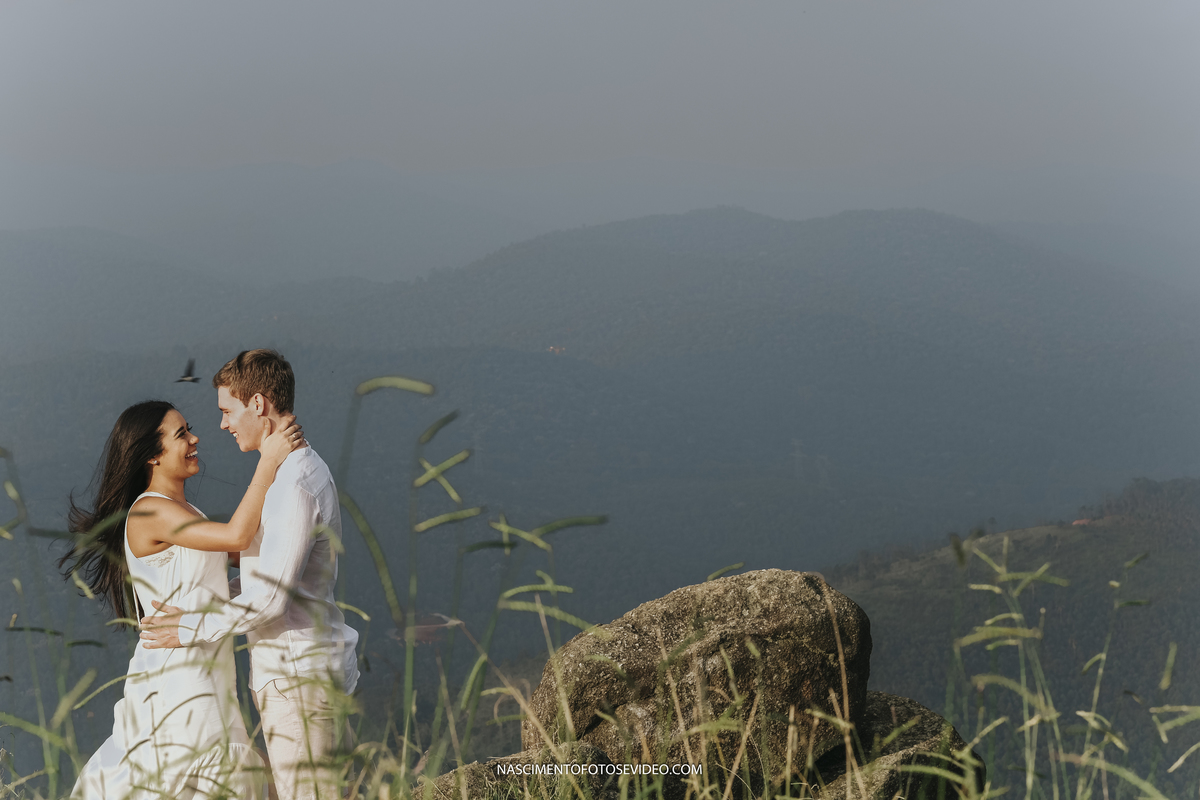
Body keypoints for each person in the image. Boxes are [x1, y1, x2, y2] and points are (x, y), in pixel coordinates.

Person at [140, 350, 360, 800]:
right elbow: (270, 579)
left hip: (296, 676)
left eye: (227, 410)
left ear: (258, 405)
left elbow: (271, 599)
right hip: (301, 670)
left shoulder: (293, 484)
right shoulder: (294, 473)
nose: (222, 425)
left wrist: (187, 627)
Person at [63, 400, 306, 800]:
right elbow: (236, 538)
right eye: (181, 435)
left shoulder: (184, 511)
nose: (195, 439)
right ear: (152, 456)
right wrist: (270, 463)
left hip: (206, 670)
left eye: (188, 429)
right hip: (179, 679)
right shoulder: (149, 512)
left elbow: (238, 556)